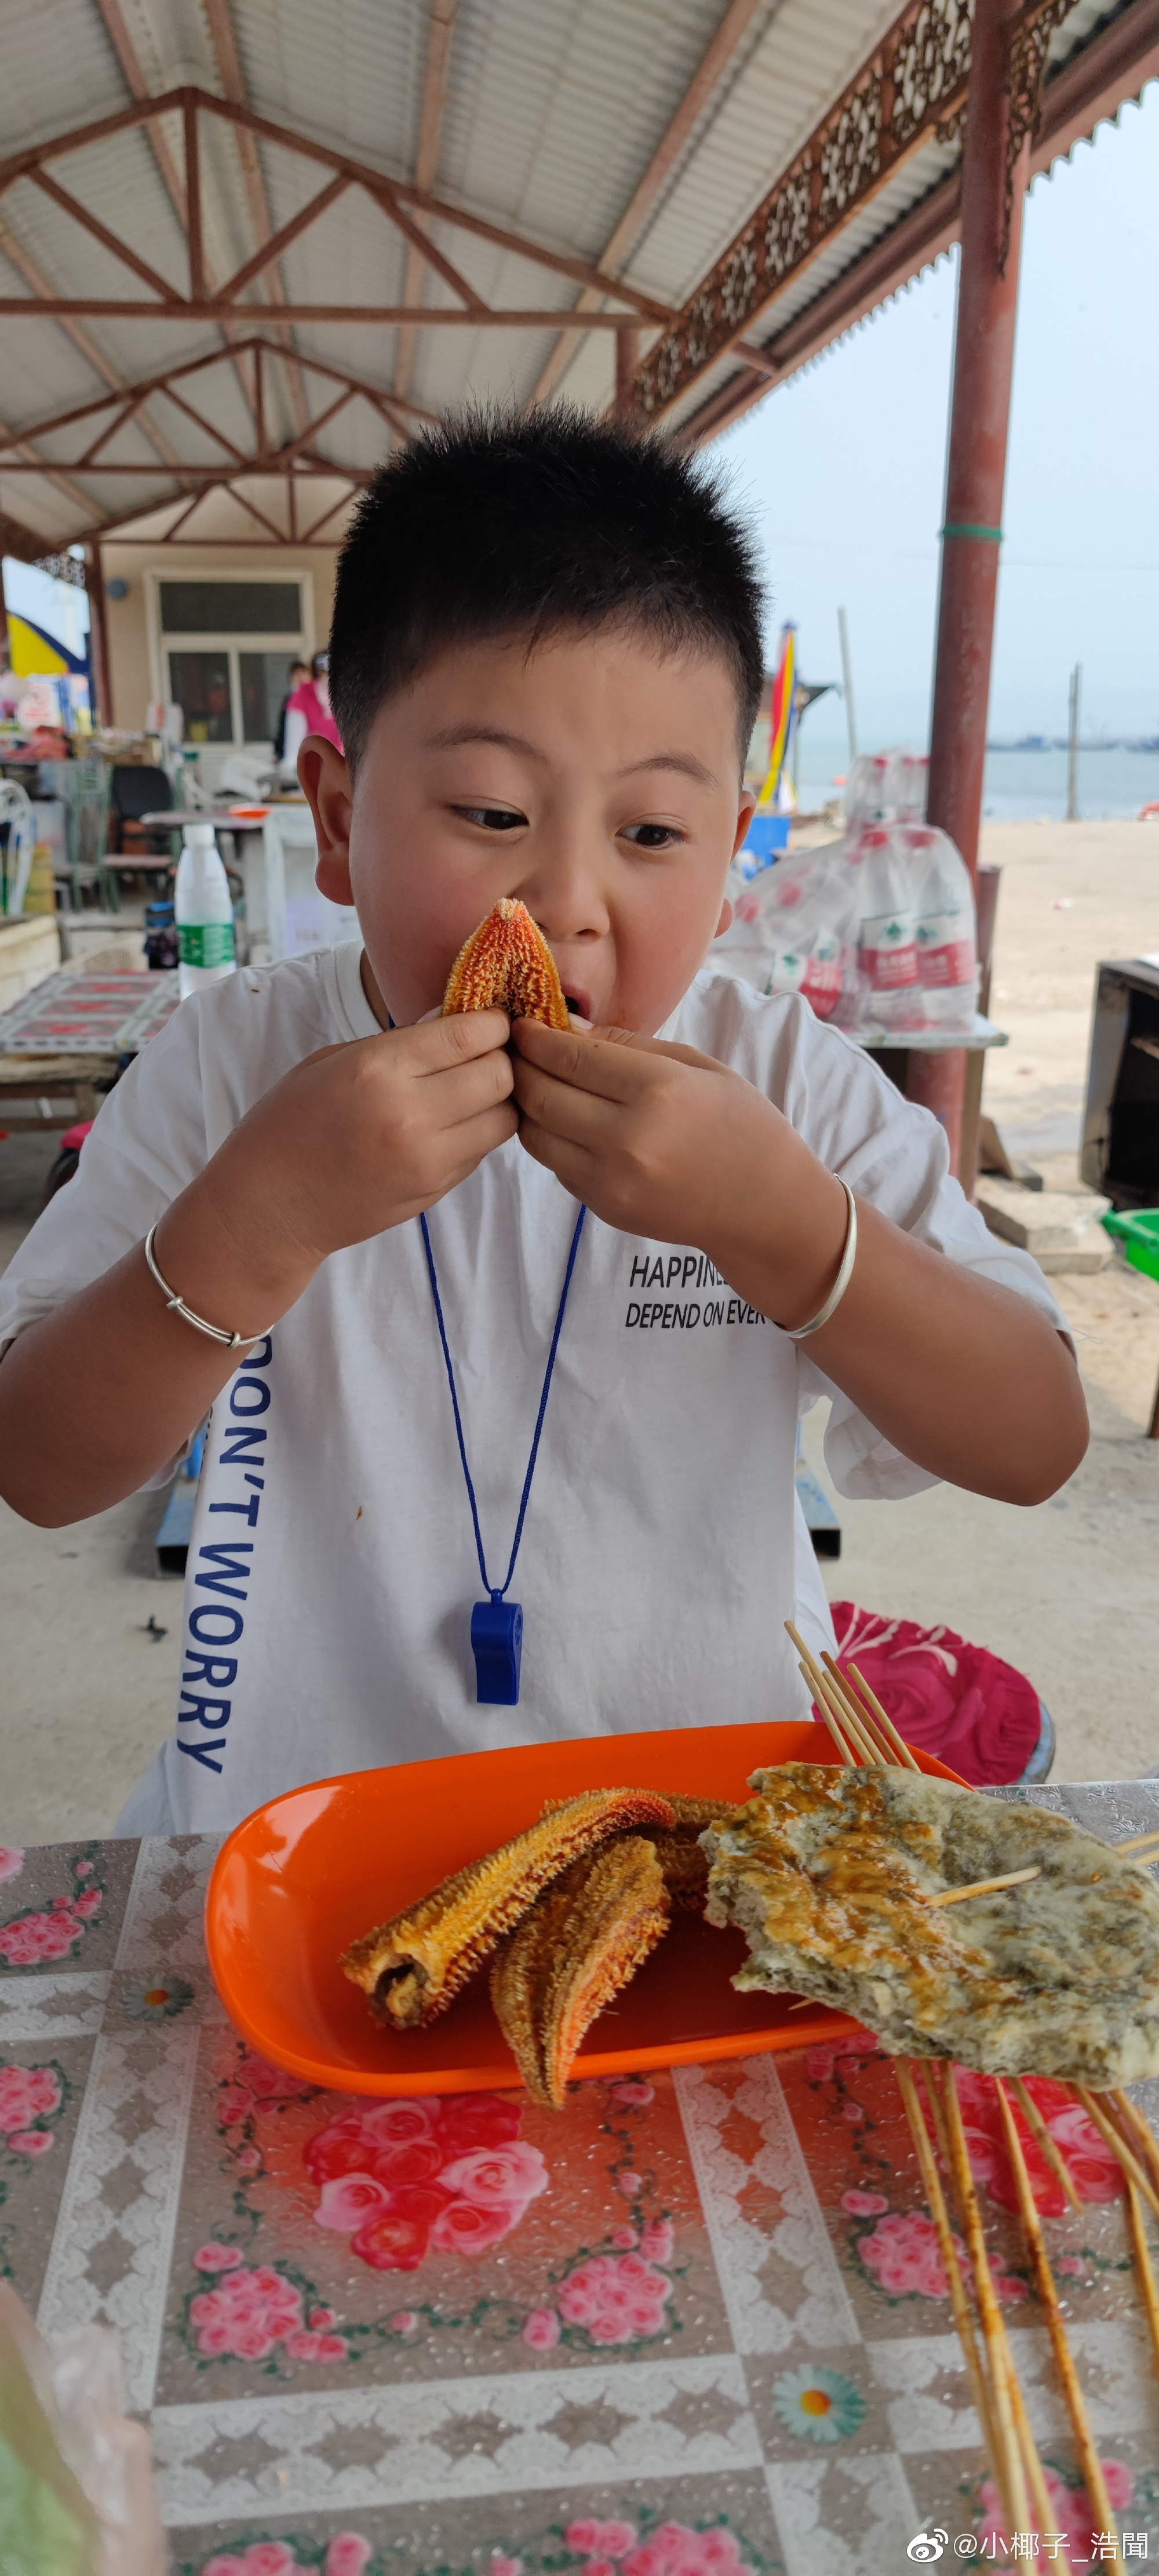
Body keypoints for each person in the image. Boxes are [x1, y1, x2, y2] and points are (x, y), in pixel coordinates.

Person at [0, 412, 1087, 1837]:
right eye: (489, 809)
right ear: (335, 817)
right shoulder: (233, 1064)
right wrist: (253, 1219)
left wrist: (782, 1223)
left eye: (649, 832)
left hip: (693, 1847)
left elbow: (1034, 1434)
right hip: (296, 1834)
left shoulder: (783, 1084)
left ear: (733, 837)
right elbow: (40, 1462)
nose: (561, 903)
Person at [279, 649, 341, 774]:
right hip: (309, 770)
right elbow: (293, 749)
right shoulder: (303, 696)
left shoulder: (347, 698)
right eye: (325, 673)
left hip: (339, 770)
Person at [272, 658, 309, 765]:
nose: (301, 678)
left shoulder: (314, 698)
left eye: (303, 673)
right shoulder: (289, 700)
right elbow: (282, 727)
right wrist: (277, 752)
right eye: (296, 675)